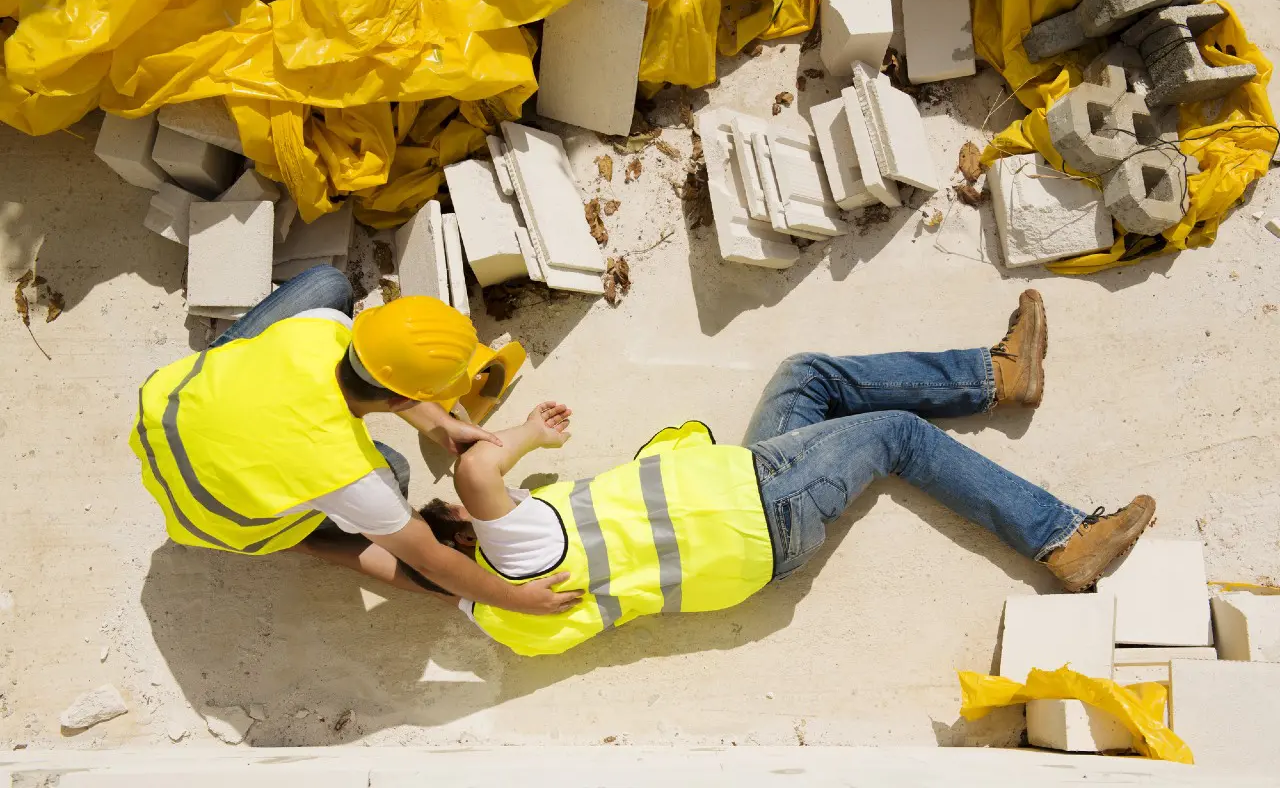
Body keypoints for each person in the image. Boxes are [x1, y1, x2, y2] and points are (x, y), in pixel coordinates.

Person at [423, 290, 1155, 656]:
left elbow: (405, 566)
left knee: (806, 376)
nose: (497, 502)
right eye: (467, 517)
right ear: (466, 538)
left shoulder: (501, 619)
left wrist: (381, 548)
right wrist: (526, 433)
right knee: (899, 434)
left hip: (749, 507)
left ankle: (1000, 376)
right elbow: (479, 471)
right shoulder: (518, 551)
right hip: (761, 504)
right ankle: (1062, 539)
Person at [129, 265, 580, 616]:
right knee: (397, 474)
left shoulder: (320, 327)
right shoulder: (355, 477)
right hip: (213, 517)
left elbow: (379, 375)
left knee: (327, 284)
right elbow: (430, 563)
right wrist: (516, 599)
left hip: (165, 414)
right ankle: (295, 537)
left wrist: (441, 424)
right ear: (405, 399)